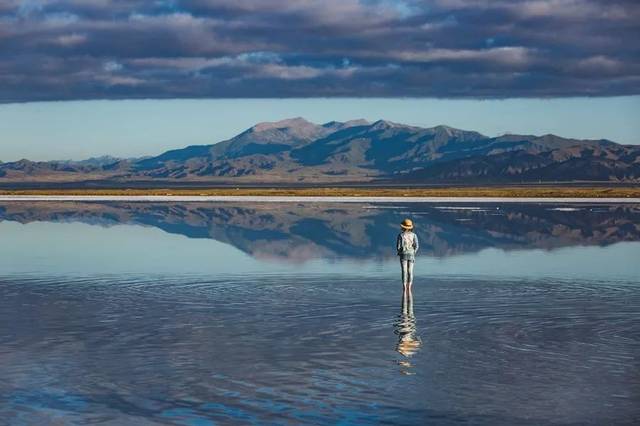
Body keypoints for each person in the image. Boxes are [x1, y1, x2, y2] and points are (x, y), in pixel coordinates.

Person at [396, 218, 418, 289]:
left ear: (403, 227)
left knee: (404, 271)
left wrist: (399, 252)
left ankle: (404, 286)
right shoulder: (414, 235)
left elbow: (398, 246)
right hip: (411, 254)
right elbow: (417, 246)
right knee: (410, 271)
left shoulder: (401, 235)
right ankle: (410, 286)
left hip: (403, 255)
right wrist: (414, 252)